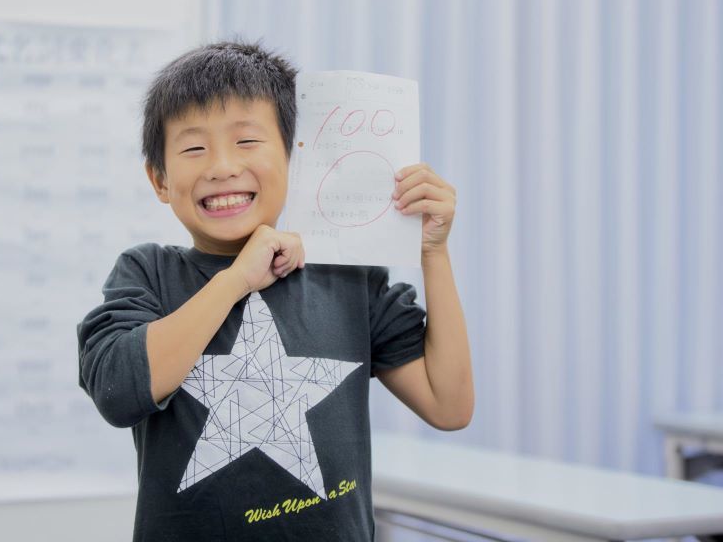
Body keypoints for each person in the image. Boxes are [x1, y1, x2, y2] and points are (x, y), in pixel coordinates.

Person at [77, 39, 473, 541]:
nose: (222, 166)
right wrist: (235, 281)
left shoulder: (347, 278)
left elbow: (449, 406)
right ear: (159, 180)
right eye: (194, 148)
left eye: (247, 141)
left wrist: (434, 252)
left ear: (294, 157)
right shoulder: (148, 272)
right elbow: (118, 391)